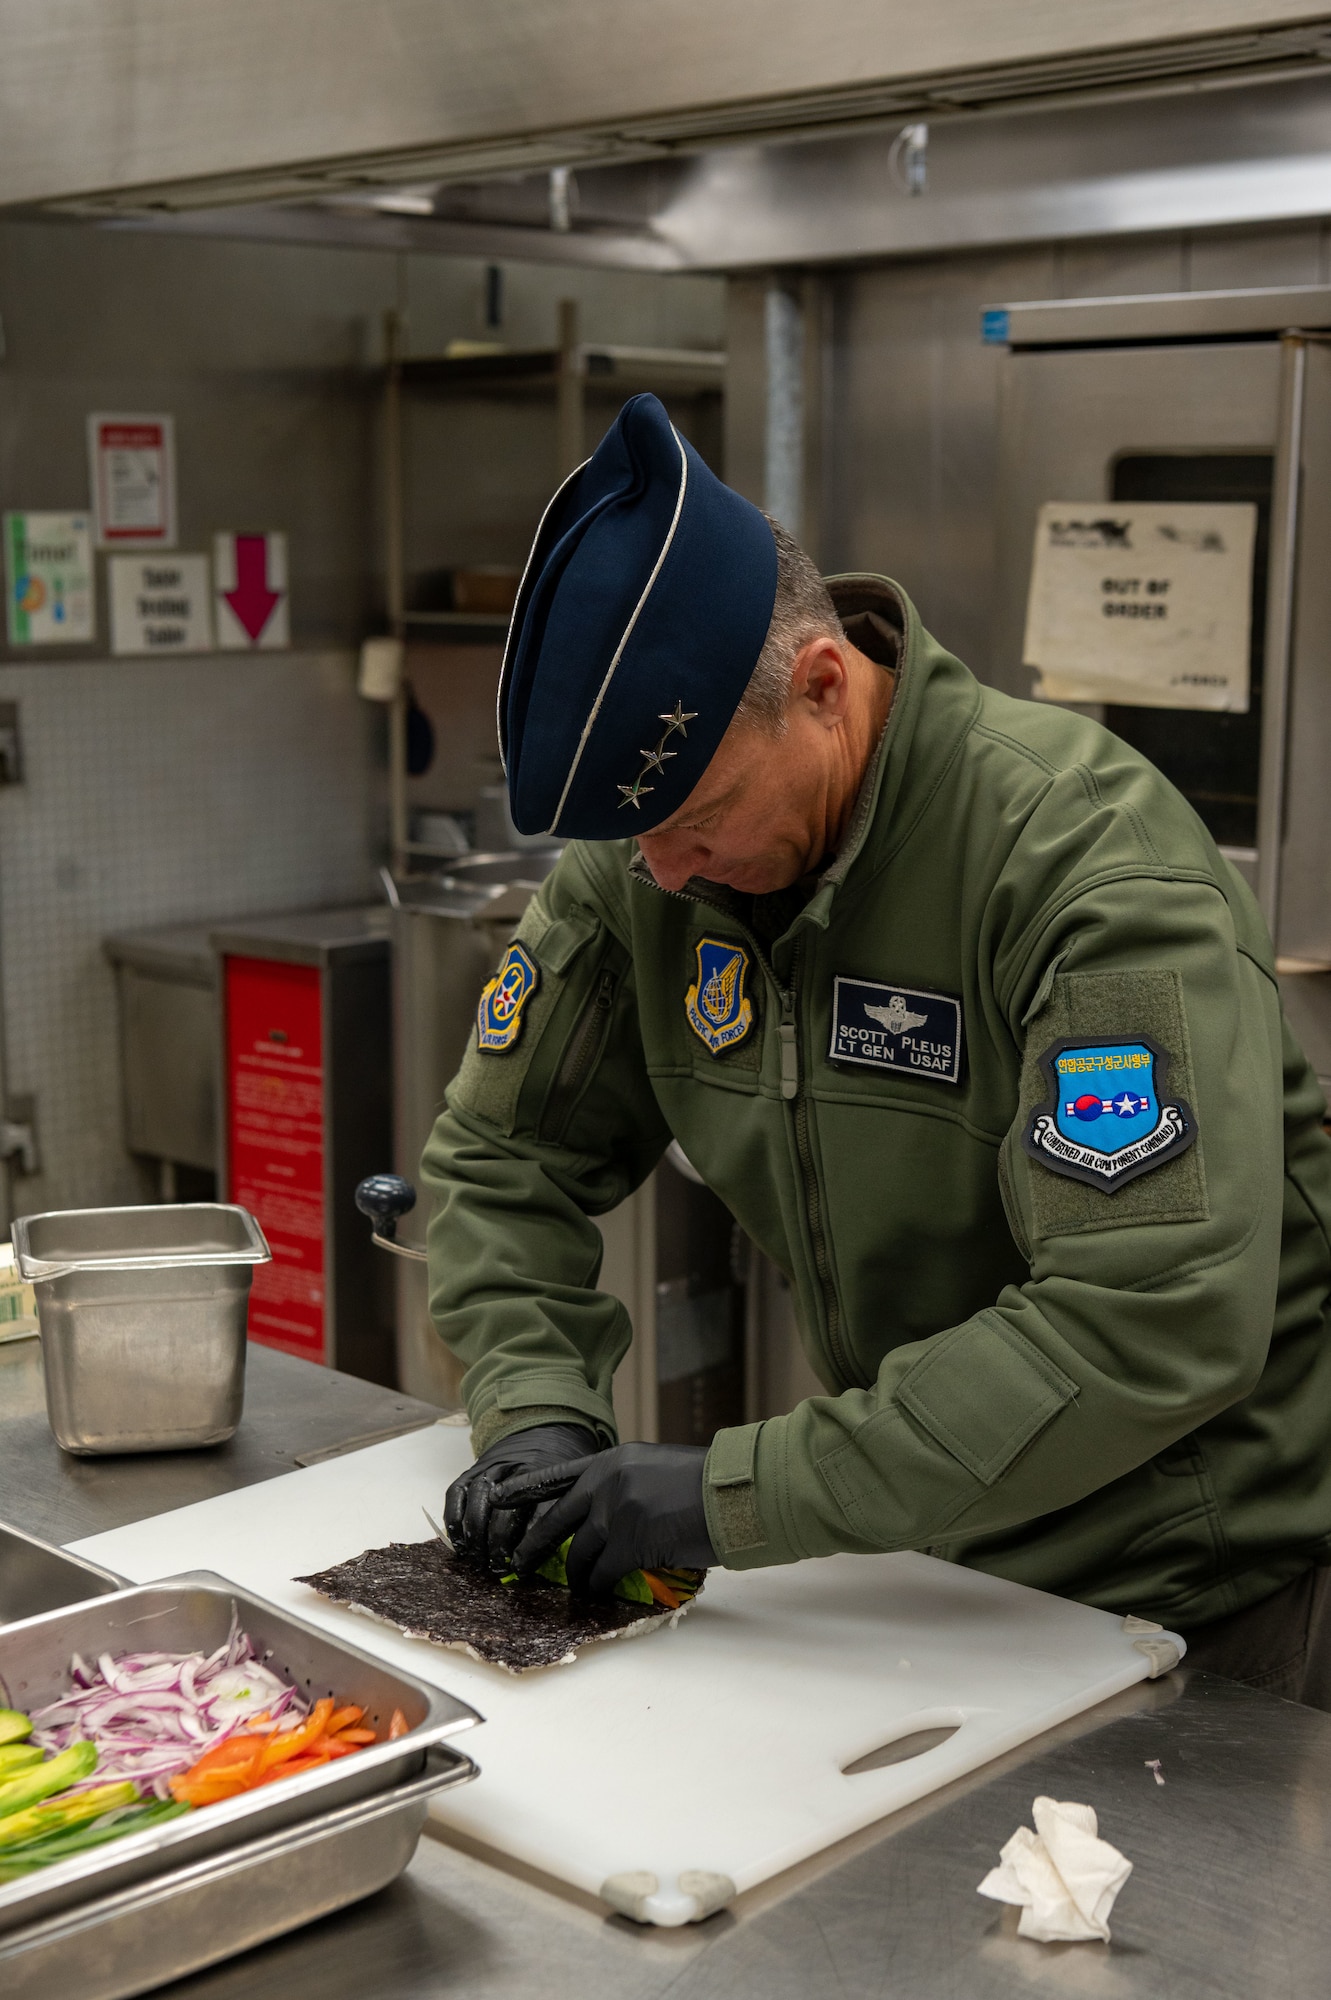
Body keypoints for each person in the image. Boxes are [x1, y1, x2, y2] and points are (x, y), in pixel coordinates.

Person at [424, 393, 1331, 1704]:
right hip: (934, 1572)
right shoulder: (651, 863)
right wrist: (535, 1417)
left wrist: (737, 1496)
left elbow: (1153, 1318)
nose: (666, 877)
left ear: (825, 686)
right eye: (635, 843)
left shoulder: (1080, 862)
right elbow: (503, 1160)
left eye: (700, 817)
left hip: (1201, 1598)